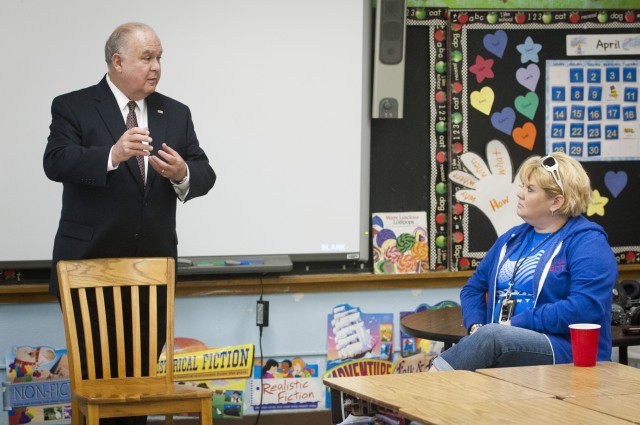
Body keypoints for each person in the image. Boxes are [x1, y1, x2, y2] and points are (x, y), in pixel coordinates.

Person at [43, 22, 216, 424]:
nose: (156, 67)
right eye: (147, 57)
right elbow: (56, 161)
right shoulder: (74, 106)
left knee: (138, 390)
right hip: (88, 267)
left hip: (151, 271)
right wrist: (112, 154)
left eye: (159, 58)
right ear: (117, 61)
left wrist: (181, 173)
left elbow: (205, 171)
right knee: (99, 389)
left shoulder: (174, 111)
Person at [430, 152, 617, 371]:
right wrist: (476, 327)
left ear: (557, 201)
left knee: (493, 337)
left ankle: (430, 385)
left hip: (563, 349)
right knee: (489, 336)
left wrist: (516, 324)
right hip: (503, 342)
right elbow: (473, 288)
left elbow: (584, 307)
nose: (519, 193)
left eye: (529, 189)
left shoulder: (588, 243)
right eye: (522, 186)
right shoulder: (512, 239)